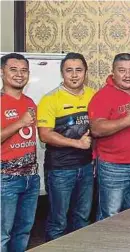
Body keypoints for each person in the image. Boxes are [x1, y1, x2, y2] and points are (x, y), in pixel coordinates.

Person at [37, 52, 95, 240]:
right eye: (69, 70)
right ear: (62, 73)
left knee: (82, 219)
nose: (74, 75)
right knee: (58, 222)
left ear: (85, 72)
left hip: (86, 168)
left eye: (79, 70)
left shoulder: (93, 95)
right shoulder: (50, 99)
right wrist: (77, 143)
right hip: (60, 170)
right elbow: (45, 135)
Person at [88, 53, 130, 220]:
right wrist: (126, 121)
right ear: (113, 73)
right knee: (110, 216)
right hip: (113, 166)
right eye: (122, 70)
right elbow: (96, 129)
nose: (127, 75)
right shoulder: (102, 96)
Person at [0, 53, 40, 252]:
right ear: (2, 72)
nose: (19, 75)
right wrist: (20, 122)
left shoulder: (30, 102)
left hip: (31, 177)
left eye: (24, 70)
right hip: (5, 178)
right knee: (2, 234)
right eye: (13, 69)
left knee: (23, 231)